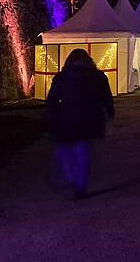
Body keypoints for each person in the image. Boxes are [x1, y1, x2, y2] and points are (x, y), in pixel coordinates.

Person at [46, 49, 115, 200]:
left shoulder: (61, 78)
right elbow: (106, 98)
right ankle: (80, 186)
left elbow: (52, 100)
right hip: (89, 119)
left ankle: (72, 177)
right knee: (82, 152)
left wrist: (51, 117)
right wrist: (110, 113)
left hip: (66, 120)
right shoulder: (98, 76)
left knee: (64, 151)